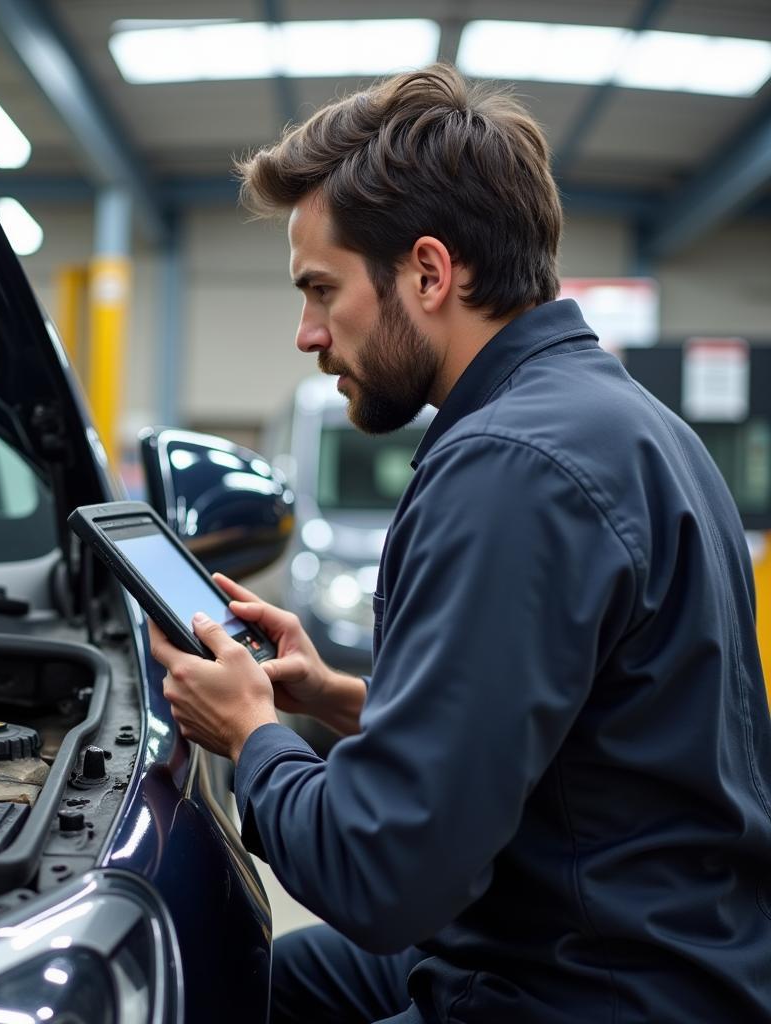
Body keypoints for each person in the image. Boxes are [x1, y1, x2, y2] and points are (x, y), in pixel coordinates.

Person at [147, 64, 771, 1023]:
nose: (308, 335)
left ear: (431, 273)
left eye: (321, 290)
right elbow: (575, 741)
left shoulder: (510, 467)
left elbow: (382, 878)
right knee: (268, 978)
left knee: (199, 983)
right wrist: (342, 702)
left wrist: (253, 737)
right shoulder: (623, 422)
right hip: (643, 946)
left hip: (585, 990)